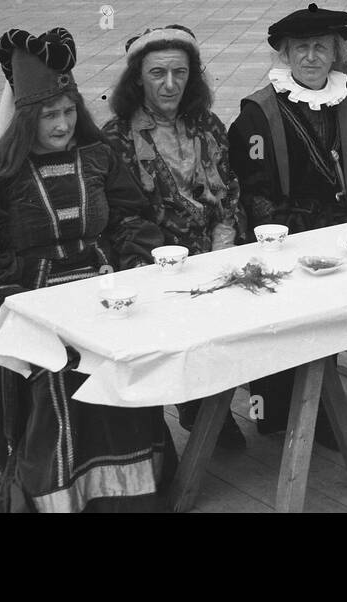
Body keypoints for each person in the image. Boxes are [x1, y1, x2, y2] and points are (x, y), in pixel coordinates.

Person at [0, 27, 174, 512]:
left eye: (69, 112)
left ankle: (129, 495)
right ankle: (62, 496)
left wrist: (138, 264)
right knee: (58, 379)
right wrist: (11, 292)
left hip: (106, 294)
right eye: (50, 115)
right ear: (27, 119)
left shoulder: (98, 158)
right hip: (37, 303)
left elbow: (131, 218)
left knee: (119, 371)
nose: (63, 124)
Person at [227, 6, 347, 437]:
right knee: (307, 323)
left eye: (320, 47)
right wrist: (299, 232)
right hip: (290, 237)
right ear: (286, 55)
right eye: (301, 49)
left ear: (335, 53)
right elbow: (252, 189)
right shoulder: (257, 115)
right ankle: (302, 410)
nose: (311, 57)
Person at [103, 23, 244, 450]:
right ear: (137, 79)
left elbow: (231, 189)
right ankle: (171, 424)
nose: (170, 84)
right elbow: (122, 218)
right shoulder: (117, 138)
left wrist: (224, 240)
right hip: (154, 261)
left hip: (214, 250)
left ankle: (208, 406)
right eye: (157, 73)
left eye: (180, 73)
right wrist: (170, 261)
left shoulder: (205, 123)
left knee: (224, 335)